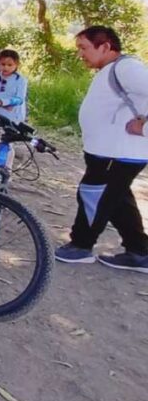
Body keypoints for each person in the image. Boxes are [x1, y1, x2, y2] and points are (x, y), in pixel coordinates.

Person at [54, 26, 148, 273]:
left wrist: (144, 126)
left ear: (105, 47)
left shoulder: (127, 68)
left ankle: (81, 246)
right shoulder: (113, 70)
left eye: (84, 48)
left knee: (93, 194)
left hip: (118, 153)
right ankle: (139, 252)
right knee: (117, 200)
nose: (80, 54)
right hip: (110, 153)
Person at [0, 49, 28, 124]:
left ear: (16, 64)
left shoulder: (20, 80)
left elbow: (19, 99)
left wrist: (3, 102)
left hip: (13, 115)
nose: (6, 67)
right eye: (3, 64)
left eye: (10, 65)